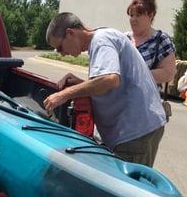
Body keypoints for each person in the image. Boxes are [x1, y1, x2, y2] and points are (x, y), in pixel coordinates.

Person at [43, 12, 166, 167]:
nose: (61, 53)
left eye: (59, 47)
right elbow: (113, 82)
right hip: (137, 129)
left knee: (125, 187)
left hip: (134, 133)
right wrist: (81, 83)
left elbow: (110, 80)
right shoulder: (103, 38)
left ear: (70, 33)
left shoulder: (101, 41)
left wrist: (64, 94)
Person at [126, 0, 176, 84]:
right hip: (120, 96)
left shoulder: (161, 40)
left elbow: (168, 73)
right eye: (131, 15)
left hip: (146, 96)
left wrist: (136, 76)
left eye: (138, 15)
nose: (133, 19)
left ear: (150, 15)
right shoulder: (124, 39)